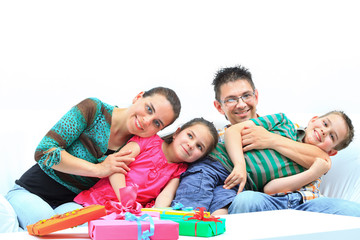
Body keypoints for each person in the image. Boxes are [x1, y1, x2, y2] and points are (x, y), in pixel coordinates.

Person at [172, 65, 360, 216]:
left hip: (306, 203)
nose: (241, 104)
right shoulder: (215, 138)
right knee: (237, 203)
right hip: (254, 198)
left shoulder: (284, 126)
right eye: (231, 99)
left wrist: (270, 139)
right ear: (219, 107)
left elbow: (323, 159)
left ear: (256, 96)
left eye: (246, 95)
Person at [5, 87, 182, 230]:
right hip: (31, 191)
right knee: (44, 221)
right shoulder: (94, 109)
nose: (147, 121)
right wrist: (98, 169)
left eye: (157, 123)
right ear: (138, 96)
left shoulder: (139, 144)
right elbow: (44, 152)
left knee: (80, 228)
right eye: (148, 109)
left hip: (72, 203)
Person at [213, 110, 353, 214]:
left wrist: (270, 139)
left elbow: (272, 188)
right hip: (267, 200)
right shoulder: (282, 122)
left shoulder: (319, 162)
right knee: (246, 200)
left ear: (332, 152)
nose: (324, 131)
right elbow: (234, 131)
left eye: (332, 136)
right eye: (325, 123)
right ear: (313, 119)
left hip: (304, 204)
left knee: (353, 211)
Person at [74, 117, 219, 209]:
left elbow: (166, 196)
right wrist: (125, 200)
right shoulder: (149, 141)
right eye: (190, 136)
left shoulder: (179, 170)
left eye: (200, 147)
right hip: (95, 202)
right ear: (176, 133)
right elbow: (115, 167)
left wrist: (157, 213)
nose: (191, 145)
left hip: (127, 215)